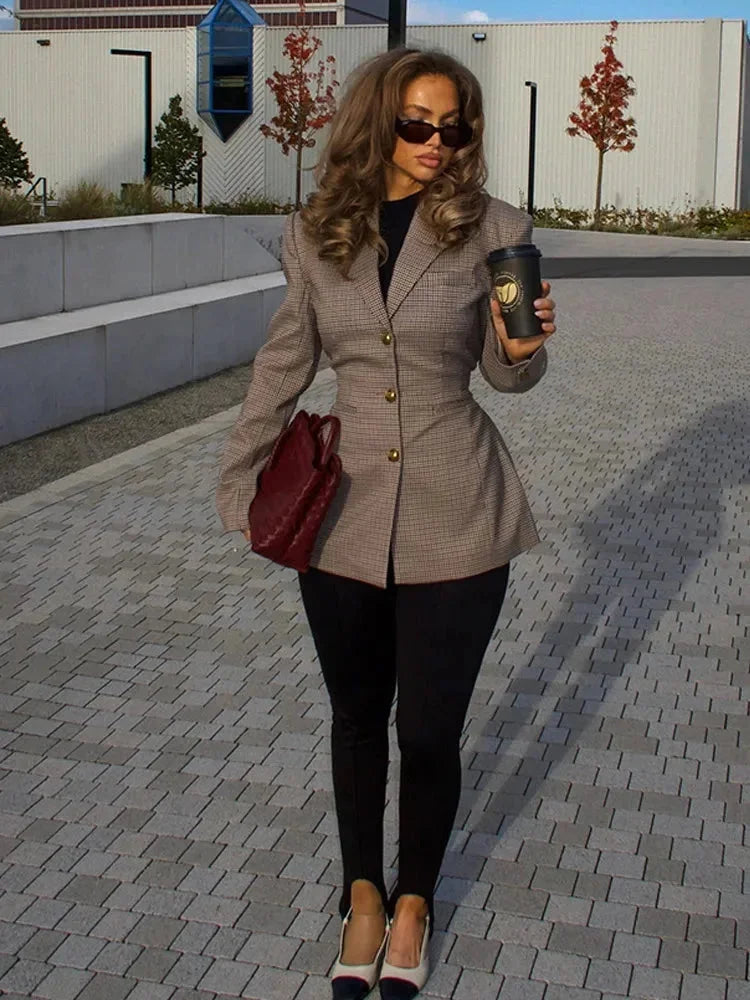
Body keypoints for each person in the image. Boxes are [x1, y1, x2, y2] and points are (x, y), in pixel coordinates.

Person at [217, 47, 557, 1000]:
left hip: (461, 510)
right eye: (416, 124)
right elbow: (283, 364)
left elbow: (509, 375)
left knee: (432, 732)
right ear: (379, 123)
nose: (435, 144)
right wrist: (240, 476)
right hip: (344, 519)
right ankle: (360, 896)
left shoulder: (497, 226)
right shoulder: (317, 230)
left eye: (453, 127)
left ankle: (415, 901)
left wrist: (523, 345)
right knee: (359, 720)